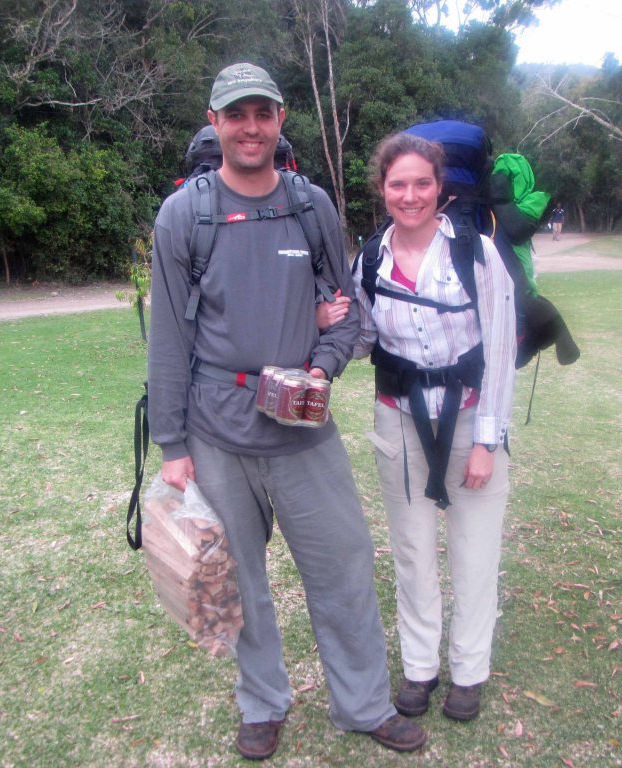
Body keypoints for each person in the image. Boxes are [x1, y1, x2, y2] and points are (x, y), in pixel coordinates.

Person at [147, 63, 426, 760]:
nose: (249, 127)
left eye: (262, 113)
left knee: (344, 567)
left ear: (279, 119)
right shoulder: (186, 214)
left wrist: (320, 370)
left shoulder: (311, 207)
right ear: (214, 122)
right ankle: (263, 703)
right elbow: (169, 340)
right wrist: (172, 445)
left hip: (303, 431)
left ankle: (363, 704)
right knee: (238, 581)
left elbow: (347, 316)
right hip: (216, 433)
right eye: (235, 114)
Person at [352, 132, 516, 723]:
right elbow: (364, 341)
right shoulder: (368, 258)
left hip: (470, 415)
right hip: (398, 420)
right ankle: (420, 669)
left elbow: (498, 348)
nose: (411, 194)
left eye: (422, 182)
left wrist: (487, 443)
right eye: (398, 184)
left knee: (475, 552)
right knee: (413, 552)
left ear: (440, 188)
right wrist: (329, 321)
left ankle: (469, 671)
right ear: (382, 189)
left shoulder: (477, 254)